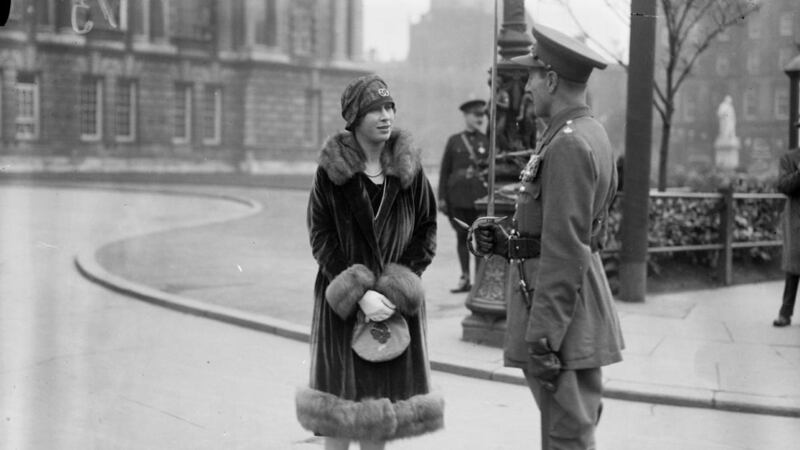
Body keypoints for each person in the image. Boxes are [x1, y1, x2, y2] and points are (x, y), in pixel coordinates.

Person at [474, 23, 624, 449]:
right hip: (571, 307)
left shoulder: (568, 145)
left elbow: (566, 246)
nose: (526, 89)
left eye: (532, 78)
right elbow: (561, 228)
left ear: (552, 79)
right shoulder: (581, 133)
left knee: (567, 437)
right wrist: (504, 242)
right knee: (566, 430)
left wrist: (543, 337)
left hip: (562, 314)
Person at [296, 74, 443, 449]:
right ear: (354, 118)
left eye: (389, 107)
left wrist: (397, 287)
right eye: (375, 109)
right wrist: (359, 292)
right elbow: (321, 236)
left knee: (380, 416)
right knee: (341, 416)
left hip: (394, 308)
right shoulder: (333, 173)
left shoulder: (409, 170)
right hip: (345, 309)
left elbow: (426, 230)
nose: (386, 115)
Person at [438, 98, 490, 292]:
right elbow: (445, 171)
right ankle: (464, 277)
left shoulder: (487, 141)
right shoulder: (455, 141)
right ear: (466, 116)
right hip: (457, 198)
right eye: (476, 115)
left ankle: (478, 280)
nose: (480, 119)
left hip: (479, 199)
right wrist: (442, 198)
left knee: (479, 238)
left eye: (482, 115)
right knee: (462, 237)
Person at [774, 146, 800, 327]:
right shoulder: (789, 158)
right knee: (794, 264)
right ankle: (785, 312)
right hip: (797, 218)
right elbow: (783, 186)